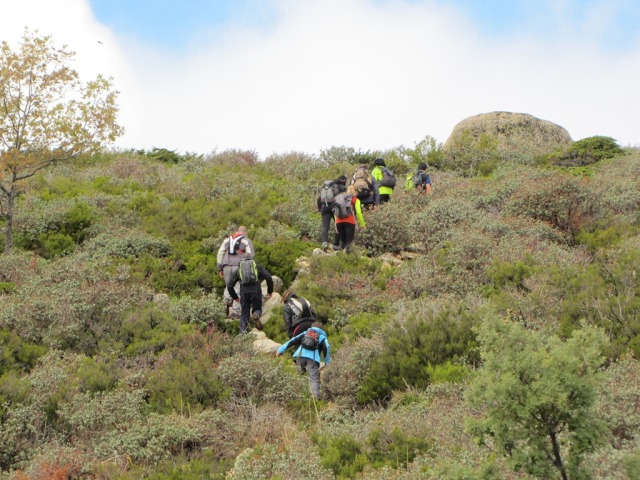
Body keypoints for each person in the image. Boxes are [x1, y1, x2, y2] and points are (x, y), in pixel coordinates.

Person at [276, 321, 330, 399]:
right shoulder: (322, 337)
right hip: (313, 360)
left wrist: (280, 350)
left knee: (299, 375)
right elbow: (327, 348)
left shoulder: (306, 333)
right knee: (313, 378)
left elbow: (292, 341)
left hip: (300, 356)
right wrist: (327, 362)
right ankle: (314, 398)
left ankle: (296, 395)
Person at [227, 255, 274, 334]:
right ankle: (256, 315)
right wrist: (270, 291)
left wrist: (235, 297)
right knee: (258, 309)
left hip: (244, 293)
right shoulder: (257, 267)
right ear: (252, 260)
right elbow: (269, 277)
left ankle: (243, 333)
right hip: (256, 292)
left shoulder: (239, 270)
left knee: (244, 314)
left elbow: (229, 285)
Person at [216, 226, 255, 318]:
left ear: (237, 231)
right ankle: (235, 312)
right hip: (238, 266)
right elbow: (251, 255)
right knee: (238, 288)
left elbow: (220, 253)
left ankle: (224, 306)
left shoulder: (227, 240)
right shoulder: (246, 241)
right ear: (246, 232)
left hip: (226, 265)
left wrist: (220, 268)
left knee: (228, 285)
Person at [317, 175, 347, 252]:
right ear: (343, 181)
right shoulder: (341, 187)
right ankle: (336, 245)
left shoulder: (326, 188)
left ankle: (324, 243)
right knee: (339, 226)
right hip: (335, 208)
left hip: (324, 208)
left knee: (325, 227)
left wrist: (320, 209)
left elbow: (319, 199)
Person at [334, 185, 365, 254]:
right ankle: (348, 259)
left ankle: (340, 259)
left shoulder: (340, 199)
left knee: (343, 242)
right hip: (350, 222)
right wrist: (362, 224)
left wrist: (336, 224)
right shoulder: (356, 200)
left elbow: (335, 212)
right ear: (355, 192)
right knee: (349, 243)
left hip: (339, 222)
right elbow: (359, 213)